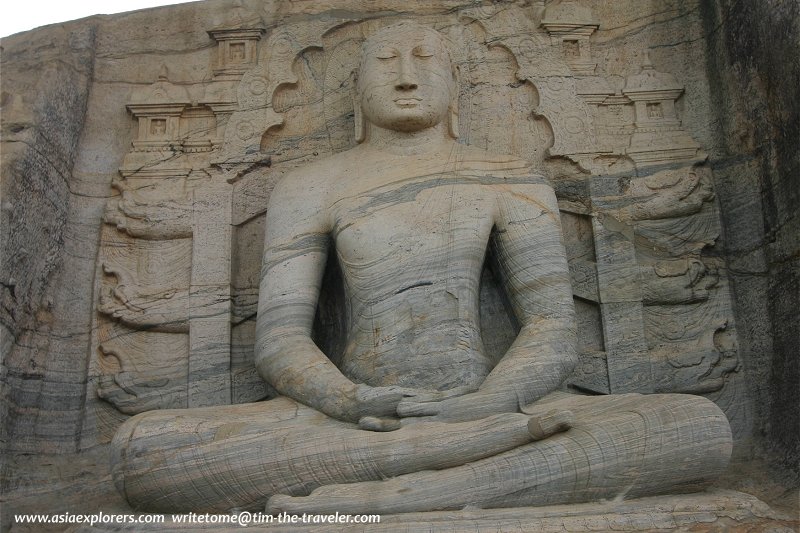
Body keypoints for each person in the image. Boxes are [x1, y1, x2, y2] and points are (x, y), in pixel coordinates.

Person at [110, 22, 731, 514]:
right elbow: (279, 342)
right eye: (385, 63)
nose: (406, 77)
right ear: (357, 90)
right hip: (353, 419)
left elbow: (551, 329)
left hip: (493, 406)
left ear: (455, 85)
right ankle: (474, 466)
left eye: (424, 60)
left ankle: (417, 489)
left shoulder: (509, 179)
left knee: (693, 427)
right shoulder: (311, 185)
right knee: (145, 452)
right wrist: (351, 400)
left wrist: (487, 405)